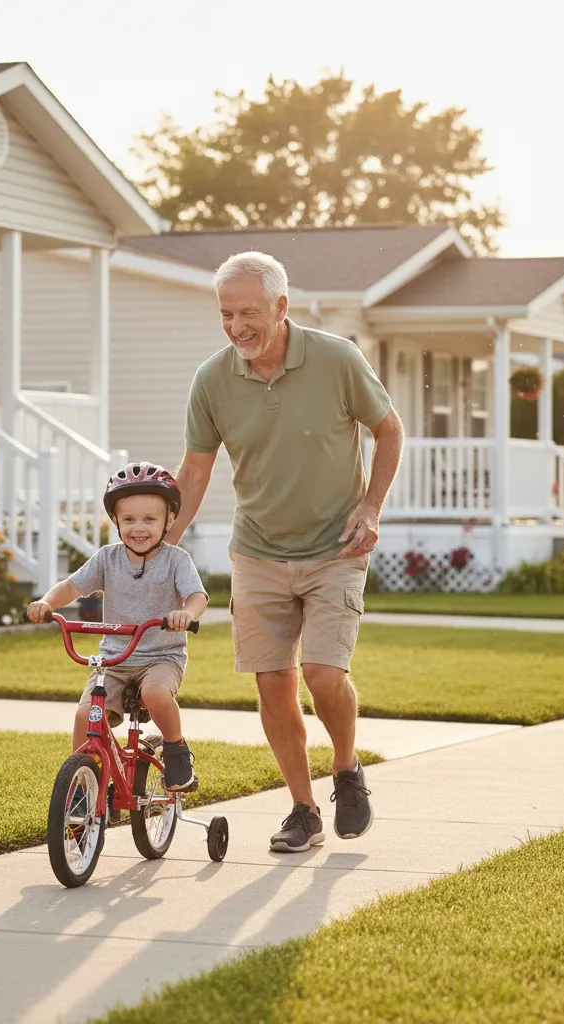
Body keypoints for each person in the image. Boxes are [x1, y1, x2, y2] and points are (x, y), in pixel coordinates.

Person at [166, 251, 405, 853]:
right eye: (226, 314)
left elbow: (389, 430)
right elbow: (194, 472)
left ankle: (346, 768)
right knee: (273, 683)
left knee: (324, 677)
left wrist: (371, 506)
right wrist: (157, 549)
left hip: (336, 547)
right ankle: (302, 809)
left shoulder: (336, 359)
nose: (237, 326)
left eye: (248, 312)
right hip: (258, 550)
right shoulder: (212, 380)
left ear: (281, 306)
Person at [27, 462, 209, 791]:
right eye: (129, 520)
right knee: (86, 717)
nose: (138, 528)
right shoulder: (107, 558)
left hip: (161, 656)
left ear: (169, 520)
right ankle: (85, 788)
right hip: (113, 659)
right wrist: (47, 602)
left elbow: (196, 596)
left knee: (154, 693)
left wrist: (188, 614)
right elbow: (71, 587)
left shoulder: (175, 560)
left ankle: (176, 747)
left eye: (149, 519)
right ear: (116, 521)